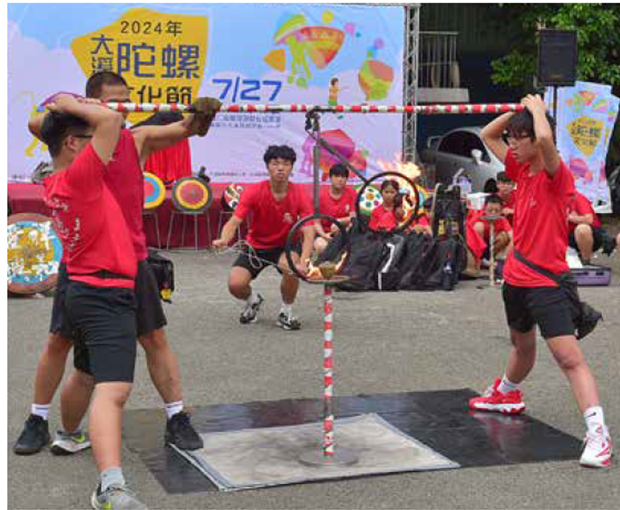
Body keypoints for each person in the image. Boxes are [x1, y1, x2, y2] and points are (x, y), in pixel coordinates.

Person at [14, 71, 220, 456]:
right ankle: (37, 420)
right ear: (92, 103)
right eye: (114, 102)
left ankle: (176, 417)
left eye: (127, 101)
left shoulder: (136, 139)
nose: (122, 109)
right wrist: (82, 106)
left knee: (154, 338)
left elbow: (187, 128)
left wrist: (201, 117)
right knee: (58, 342)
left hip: (132, 259)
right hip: (83, 264)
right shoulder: (74, 137)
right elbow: (36, 121)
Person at [469, 94, 613, 468]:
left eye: (520, 137)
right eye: (513, 137)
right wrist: (518, 114)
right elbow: (488, 133)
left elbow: (547, 142)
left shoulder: (555, 172)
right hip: (515, 278)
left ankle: (598, 435)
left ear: (536, 139)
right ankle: (507, 393)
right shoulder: (519, 170)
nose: (512, 144)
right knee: (522, 346)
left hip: (547, 283)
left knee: (569, 359)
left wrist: (536, 112)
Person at [40, 94, 146, 508]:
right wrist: (71, 100)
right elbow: (110, 120)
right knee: (114, 389)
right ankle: (111, 487)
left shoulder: (52, 180)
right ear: (71, 143)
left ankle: (68, 435)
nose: (100, 146)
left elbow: (93, 125)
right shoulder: (81, 175)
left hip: (82, 290)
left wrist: (61, 108)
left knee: (85, 373)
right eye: (85, 139)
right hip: (105, 294)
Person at [213, 145, 315, 330]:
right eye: (275, 163)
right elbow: (235, 221)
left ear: (292, 167)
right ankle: (253, 300)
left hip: (287, 245)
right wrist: (223, 240)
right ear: (267, 166)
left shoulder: (299, 192)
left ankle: (286, 312)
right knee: (236, 285)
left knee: (292, 269)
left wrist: (304, 261)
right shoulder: (254, 191)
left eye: (285, 164)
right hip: (256, 246)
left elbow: (308, 231)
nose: (280, 168)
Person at [314, 163, 357, 255]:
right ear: (330, 177)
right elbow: (316, 222)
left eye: (343, 176)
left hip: (345, 233)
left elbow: (353, 218)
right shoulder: (320, 196)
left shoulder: (352, 193)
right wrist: (324, 236)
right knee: (321, 246)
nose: (340, 179)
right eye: (336, 176)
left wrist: (339, 222)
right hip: (325, 234)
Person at [468, 194, 513, 279]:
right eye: (490, 210)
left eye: (496, 210)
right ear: (484, 208)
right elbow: (469, 238)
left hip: (493, 248)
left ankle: (495, 262)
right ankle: (477, 263)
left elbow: (513, 237)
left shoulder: (502, 219)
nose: (493, 213)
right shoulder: (477, 217)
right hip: (478, 247)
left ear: (501, 211)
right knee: (478, 226)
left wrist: (504, 258)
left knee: (504, 235)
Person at [568, 190, 619, 264]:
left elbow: (589, 219)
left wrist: (569, 217)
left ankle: (586, 261)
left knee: (582, 229)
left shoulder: (577, 198)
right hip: (565, 236)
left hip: (592, 234)